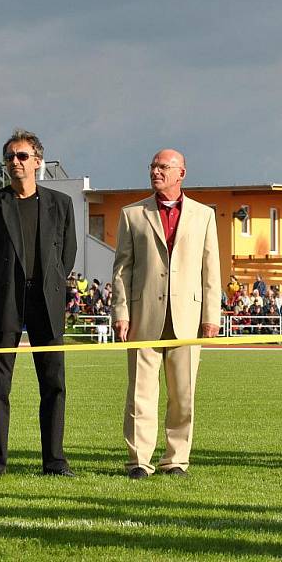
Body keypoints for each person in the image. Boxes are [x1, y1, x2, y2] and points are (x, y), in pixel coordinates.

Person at [0, 129, 77, 478]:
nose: (15, 163)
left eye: (22, 156)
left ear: (37, 161)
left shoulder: (60, 204)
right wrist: (2, 287)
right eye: (10, 157)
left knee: (53, 384)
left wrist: (50, 283)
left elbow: (68, 252)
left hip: (46, 301)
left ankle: (55, 461)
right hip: (6, 303)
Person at [112, 148, 221, 479]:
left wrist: (211, 315)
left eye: (163, 167)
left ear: (181, 173)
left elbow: (210, 268)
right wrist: (121, 311)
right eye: (153, 167)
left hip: (187, 318)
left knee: (183, 396)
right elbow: (122, 269)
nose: (156, 172)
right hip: (144, 316)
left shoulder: (203, 215)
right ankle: (139, 462)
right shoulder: (133, 214)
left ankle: (176, 460)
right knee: (140, 395)